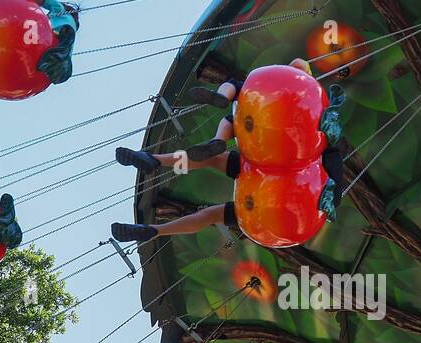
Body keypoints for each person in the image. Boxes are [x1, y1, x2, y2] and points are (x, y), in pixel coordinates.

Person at [109, 59, 344, 244]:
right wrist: (328, 197)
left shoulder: (263, 89)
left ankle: (157, 161)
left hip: (257, 164)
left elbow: (331, 169)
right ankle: (155, 230)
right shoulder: (290, 99)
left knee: (211, 159)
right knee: (210, 214)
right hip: (270, 196)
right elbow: (333, 171)